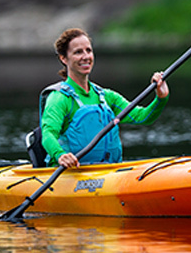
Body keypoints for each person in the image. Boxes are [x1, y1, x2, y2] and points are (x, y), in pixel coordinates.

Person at [41, 28, 169, 168]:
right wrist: (60, 155)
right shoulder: (59, 98)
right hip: (70, 173)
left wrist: (161, 98)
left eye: (88, 50)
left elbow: (143, 117)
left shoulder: (107, 97)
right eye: (78, 52)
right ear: (63, 58)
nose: (85, 57)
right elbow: (48, 135)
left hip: (106, 171)